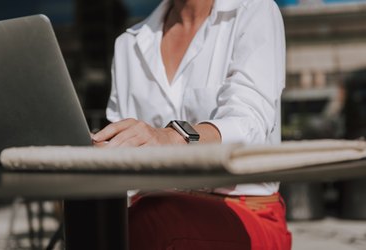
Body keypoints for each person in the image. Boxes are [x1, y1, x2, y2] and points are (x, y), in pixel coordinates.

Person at [92, 0, 291, 249]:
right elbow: (125, 161)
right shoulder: (129, 44)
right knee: (95, 223)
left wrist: (173, 137)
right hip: (154, 210)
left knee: (147, 222)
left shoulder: (253, 11)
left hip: (244, 212)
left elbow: (249, 123)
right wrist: (108, 148)